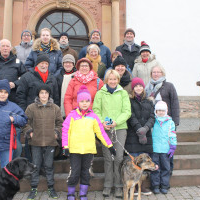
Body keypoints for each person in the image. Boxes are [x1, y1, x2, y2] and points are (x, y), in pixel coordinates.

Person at [62, 85, 116, 200]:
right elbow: (65, 130)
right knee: (75, 172)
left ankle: (83, 193)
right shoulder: (72, 115)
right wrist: (65, 146)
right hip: (75, 150)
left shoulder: (93, 117)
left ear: (90, 102)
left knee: (86, 172)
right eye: (82, 101)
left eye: (87, 101)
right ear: (78, 102)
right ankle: (71, 193)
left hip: (88, 150)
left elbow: (101, 132)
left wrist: (109, 145)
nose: (84, 103)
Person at [93, 69, 131, 198]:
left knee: (118, 157)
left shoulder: (123, 93)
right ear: (106, 80)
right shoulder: (100, 94)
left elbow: (127, 111)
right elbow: (96, 110)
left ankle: (119, 186)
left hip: (119, 128)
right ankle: (107, 185)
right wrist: (103, 122)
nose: (113, 81)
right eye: (110, 79)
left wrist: (116, 122)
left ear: (118, 80)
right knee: (108, 158)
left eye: (115, 79)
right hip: (105, 129)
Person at [17, 53, 59, 162]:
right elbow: (20, 95)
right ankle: (32, 168)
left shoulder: (52, 78)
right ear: (37, 64)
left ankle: (45, 170)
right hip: (32, 116)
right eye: (41, 63)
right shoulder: (27, 77)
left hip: (48, 118)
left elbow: (56, 96)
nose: (44, 65)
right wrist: (23, 112)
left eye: (46, 63)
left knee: (47, 146)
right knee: (30, 144)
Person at [23, 84, 63, 200]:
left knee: (49, 165)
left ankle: (51, 187)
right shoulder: (31, 107)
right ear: (38, 94)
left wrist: (56, 133)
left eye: (46, 93)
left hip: (51, 142)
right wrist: (30, 132)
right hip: (36, 142)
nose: (44, 95)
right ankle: (33, 188)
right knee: (35, 165)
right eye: (41, 93)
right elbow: (26, 122)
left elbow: (60, 123)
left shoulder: (55, 108)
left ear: (49, 94)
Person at [145, 65, 180, 174]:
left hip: (167, 122)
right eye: (154, 72)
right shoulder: (147, 87)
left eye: (158, 72)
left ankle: (168, 174)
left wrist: (175, 121)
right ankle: (155, 175)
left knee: (167, 151)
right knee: (156, 150)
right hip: (154, 122)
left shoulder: (169, 86)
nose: (156, 74)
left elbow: (175, 103)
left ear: (162, 73)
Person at [125, 77, 155, 196]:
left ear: (143, 87)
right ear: (133, 88)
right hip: (133, 136)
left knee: (145, 164)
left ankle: (142, 186)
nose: (138, 88)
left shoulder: (149, 101)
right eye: (136, 86)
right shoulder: (129, 101)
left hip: (146, 136)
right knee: (135, 163)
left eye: (140, 86)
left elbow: (152, 117)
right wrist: (138, 129)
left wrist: (146, 128)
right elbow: (131, 116)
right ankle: (134, 187)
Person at [150, 101, 177, 194]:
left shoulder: (170, 122)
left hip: (166, 149)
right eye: (159, 110)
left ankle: (165, 185)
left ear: (166, 111)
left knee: (166, 168)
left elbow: (172, 135)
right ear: (156, 111)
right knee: (155, 168)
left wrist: (173, 146)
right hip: (155, 149)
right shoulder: (153, 121)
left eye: (163, 110)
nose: (161, 112)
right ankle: (155, 185)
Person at [0, 39, 27, 103]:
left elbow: (25, 77)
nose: (5, 48)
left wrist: (15, 84)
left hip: (13, 96)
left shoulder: (18, 62)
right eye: (3, 46)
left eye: (7, 46)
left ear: (10, 48)